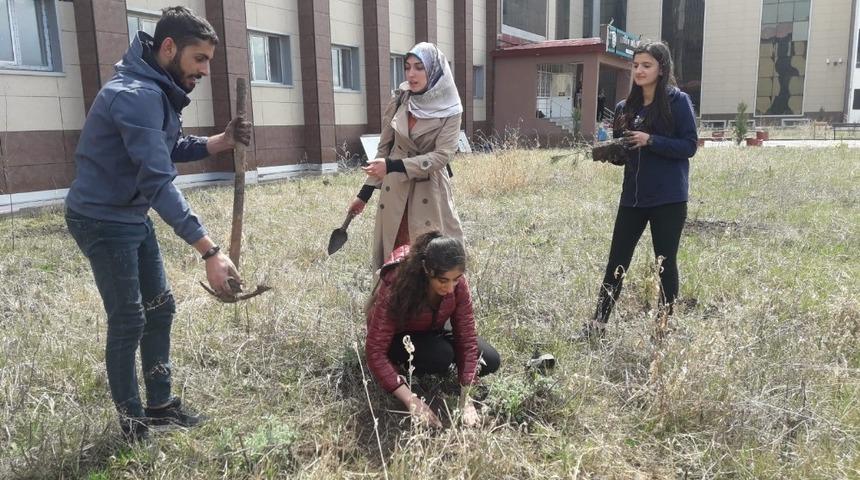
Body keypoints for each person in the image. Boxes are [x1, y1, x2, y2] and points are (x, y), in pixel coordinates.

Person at [64, 6, 252, 441]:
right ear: (169, 47)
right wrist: (210, 251)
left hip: (130, 213)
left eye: (208, 60)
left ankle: (161, 406)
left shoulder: (156, 87)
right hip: (101, 218)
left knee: (160, 307)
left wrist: (220, 142)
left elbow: (167, 145)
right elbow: (156, 180)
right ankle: (134, 427)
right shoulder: (136, 94)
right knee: (129, 319)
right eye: (199, 58)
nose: (205, 70)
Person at [578, 41, 698, 340]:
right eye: (635, 65)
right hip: (632, 198)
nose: (639, 71)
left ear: (661, 68)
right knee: (616, 262)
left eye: (647, 65)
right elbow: (625, 154)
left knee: (665, 263)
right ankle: (598, 324)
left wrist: (651, 140)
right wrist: (612, 153)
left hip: (669, 198)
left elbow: (689, 146)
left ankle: (662, 327)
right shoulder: (625, 107)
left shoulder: (678, 102)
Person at [348, 42, 464, 270]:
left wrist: (393, 166)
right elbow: (384, 149)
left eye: (419, 67)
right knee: (394, 258)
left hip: (429, 190)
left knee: (429, 258)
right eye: (407, 67)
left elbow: (442, 156)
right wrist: (363, 195)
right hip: (395, 191)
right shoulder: (401, 99)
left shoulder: (451, 108)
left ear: (434, 70)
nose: (411, 74)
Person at [365, 232, 500, 427]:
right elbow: (375, 350)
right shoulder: (397, 282)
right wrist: (411, 399)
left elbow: (467, 336)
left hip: (431, 332)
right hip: (399, 340)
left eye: (456, 279)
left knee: (490, 360)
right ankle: (409, 366)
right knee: (441, 356)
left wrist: (466, 396)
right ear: (427, 270)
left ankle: (440, 357)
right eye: (443, 281)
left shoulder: (458, 285)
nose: (450, 288)